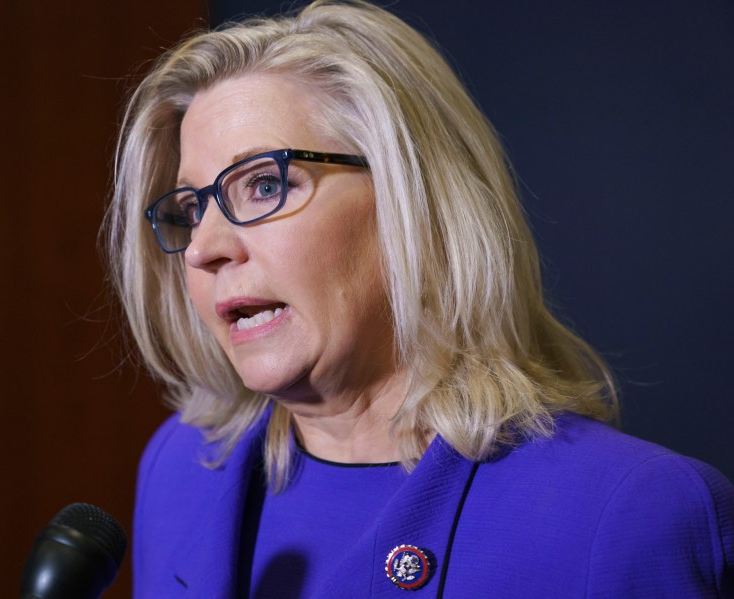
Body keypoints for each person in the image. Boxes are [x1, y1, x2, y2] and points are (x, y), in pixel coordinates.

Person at [106, 1, 733, 596]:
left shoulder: (629, 517)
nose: (204, 247)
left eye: (265, 182)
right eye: (191, 209)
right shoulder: (180, 471)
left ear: (416, 202)